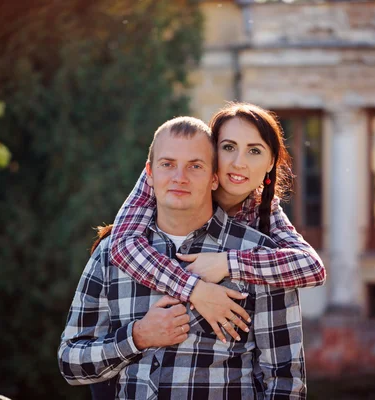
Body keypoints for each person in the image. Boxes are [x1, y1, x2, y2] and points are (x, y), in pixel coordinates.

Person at [59, 116, 306, 398]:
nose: (179, 177)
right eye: (167, 164)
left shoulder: (262, 257)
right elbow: (70, 364)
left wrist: (229, 265)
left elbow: (286, 382)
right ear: (149, 173)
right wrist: (136, 338)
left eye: (195, 166)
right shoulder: (112, 253)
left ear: (215, 177)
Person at [109, 102, 325, 342]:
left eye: (254, 151)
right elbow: (121, 246)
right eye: (228, 147)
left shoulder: (261, 206)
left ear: (271, 163)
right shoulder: (172, 179)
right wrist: (195, 290)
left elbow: (311, 267)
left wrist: (228, 263)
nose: (238, 163)